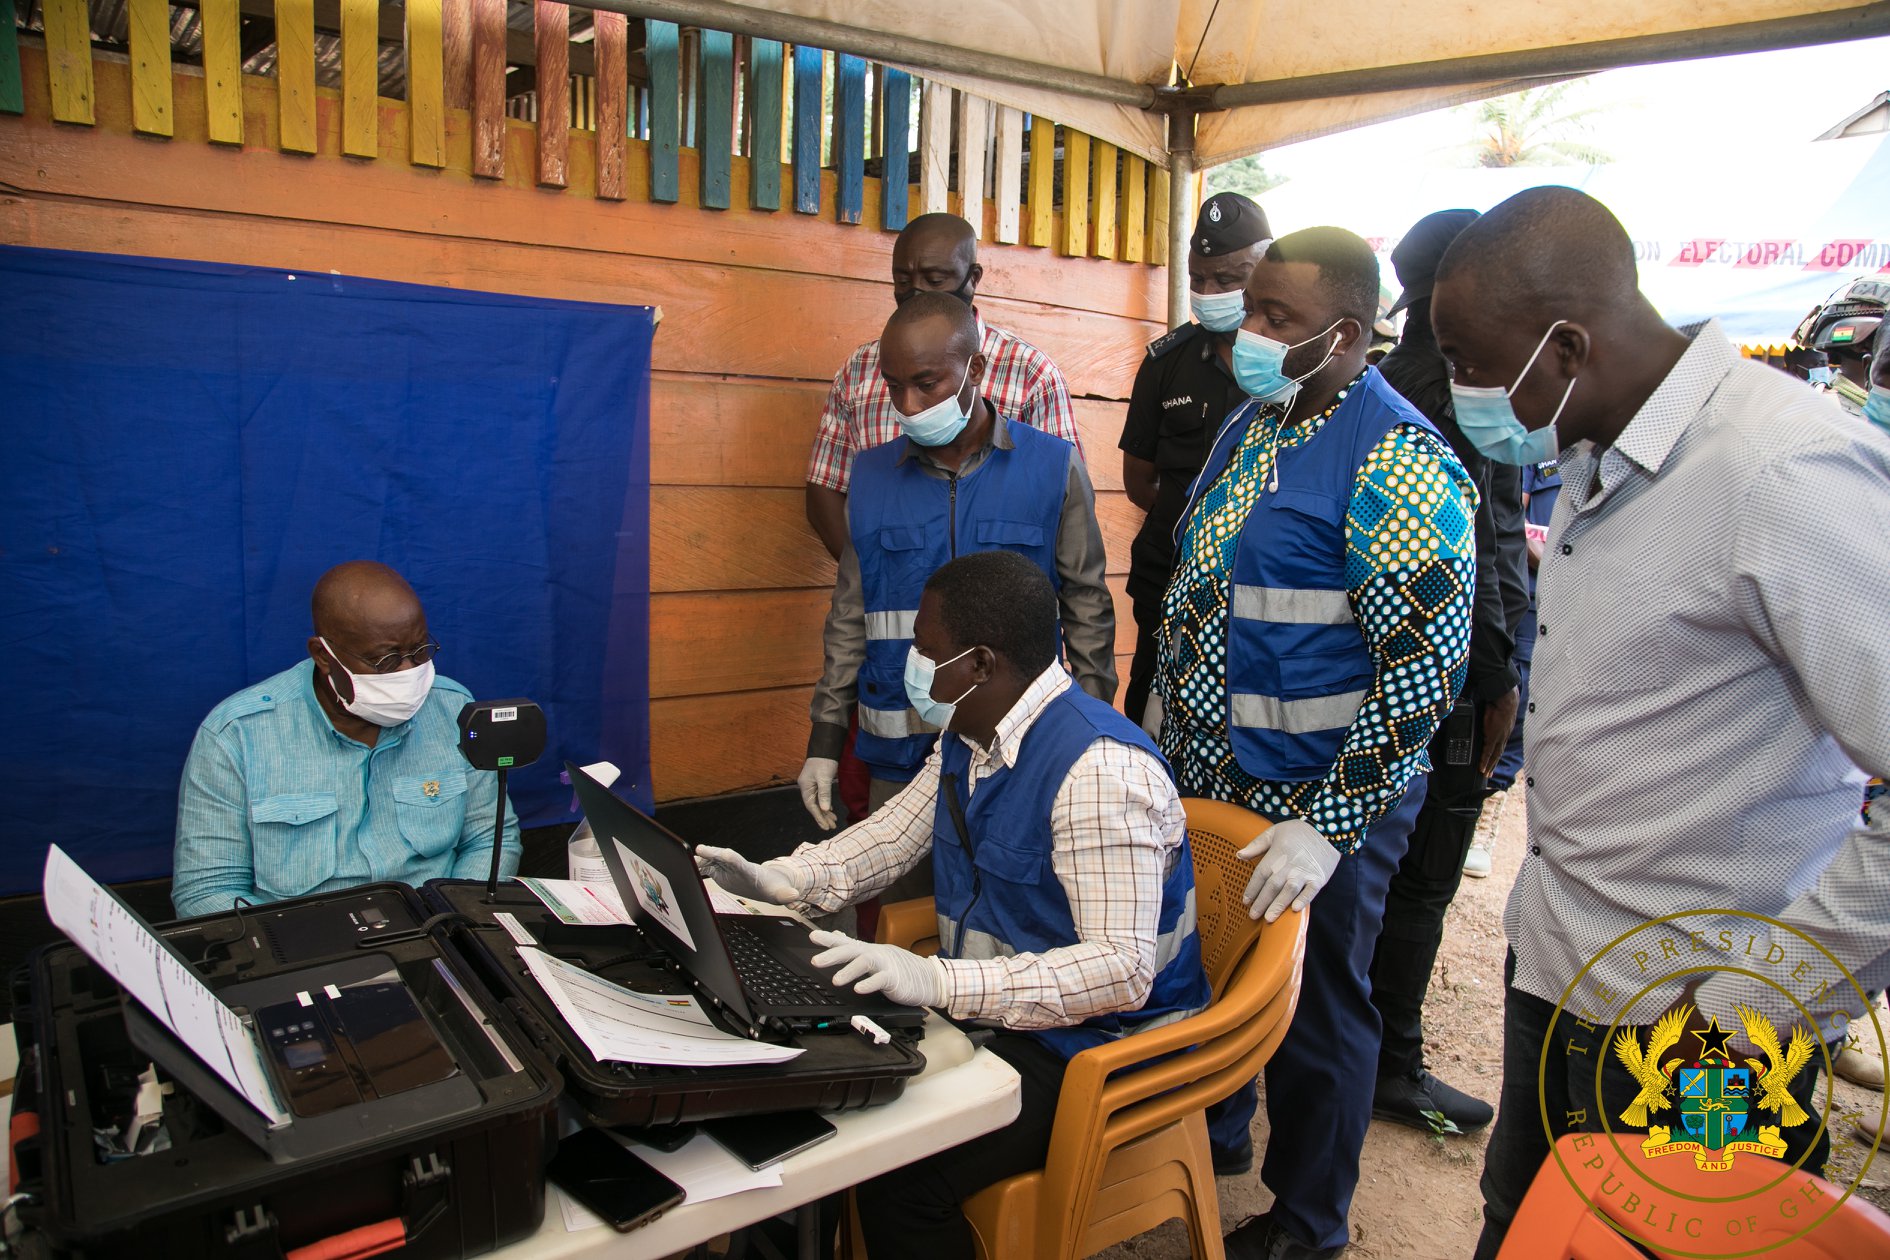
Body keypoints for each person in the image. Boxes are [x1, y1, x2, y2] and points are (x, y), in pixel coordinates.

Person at [1426, 186, 1890, 1260]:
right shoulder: (1595, 454)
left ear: (1567, 344)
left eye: (1465, 360)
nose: (1455, 391)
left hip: (1706, 1033)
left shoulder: (1782, 473)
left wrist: (1766, 1001)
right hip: (1565, 972)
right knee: (1529, 1231)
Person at [697, 551, 1210, 1260]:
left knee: (898, 1181)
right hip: (1001, 1015)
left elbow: (1120, 972)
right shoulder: (973, 731)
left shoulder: (1099, 772)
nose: (912, 663)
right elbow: (894, 833)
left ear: (979, 665)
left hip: (1103, 1051)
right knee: (797, 1105)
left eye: (926, 651)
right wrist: (785, 880)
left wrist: (938, 983)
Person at [1150, 227, 1478, 1260]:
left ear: (1344, 335)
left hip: (1319, 801)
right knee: (1221, 976)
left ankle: (1310, 1225)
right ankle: (1225, 1134)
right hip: (1215, 780)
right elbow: (1207, 582)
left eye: (1275, 320)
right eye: (1250, 308)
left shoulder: (1399, 463)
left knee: (1319, 1010)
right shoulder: (1257, 422)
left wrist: (1329, 827)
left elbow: (1424, 671)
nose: (1249, 333)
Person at [797, 294, 1115, 850]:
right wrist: (824, 739)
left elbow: (1087, 609)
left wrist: (1091, 736)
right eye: (893, 386)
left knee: (1012, 905)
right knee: (893, 913)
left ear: (977, 368)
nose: (909, 404)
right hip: (898, 750)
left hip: (1019, 747)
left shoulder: (1052, 466)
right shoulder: (870, 478)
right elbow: (849, 617)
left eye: (927, 383)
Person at [1366, 209, 1528, 1138]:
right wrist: (1499, 678)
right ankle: (1395, 1062)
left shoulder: (1388, 381)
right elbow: (1482, 552)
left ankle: (1371, 1046)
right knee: (1423, 877)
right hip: (1461, 683)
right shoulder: (1470, 389)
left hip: (1401, 673)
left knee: (1386, 868)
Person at [172, 561, 520, 918]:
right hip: (305, 949)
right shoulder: (238, 735)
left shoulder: (455, 712)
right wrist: (318, 943)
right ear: (324, 656)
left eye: (419, 652)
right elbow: (206, 892)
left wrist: (455, 920)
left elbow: (491, 841)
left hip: (443, 928)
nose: (408, 673)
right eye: (385, 660)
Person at [803, 213, 1082, 561]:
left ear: (973, 278)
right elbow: (825, 487)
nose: (916, 293)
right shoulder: (859, 370)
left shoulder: (1030, 373)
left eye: (935, 279)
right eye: (903, 281)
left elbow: (1064, 499)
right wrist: (869, 574)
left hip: (1003, 595)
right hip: (896, 596)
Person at [1118, 192, 1273, 732]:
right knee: (1149, 706)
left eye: (1230, 277)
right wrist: (1200, 522)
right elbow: (1139, 481)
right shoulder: (1168, 362)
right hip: (1168, 568)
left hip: (1257, 580)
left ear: (1265, 266)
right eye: (1199, 279)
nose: (1210, 294)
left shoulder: (1290, 360)